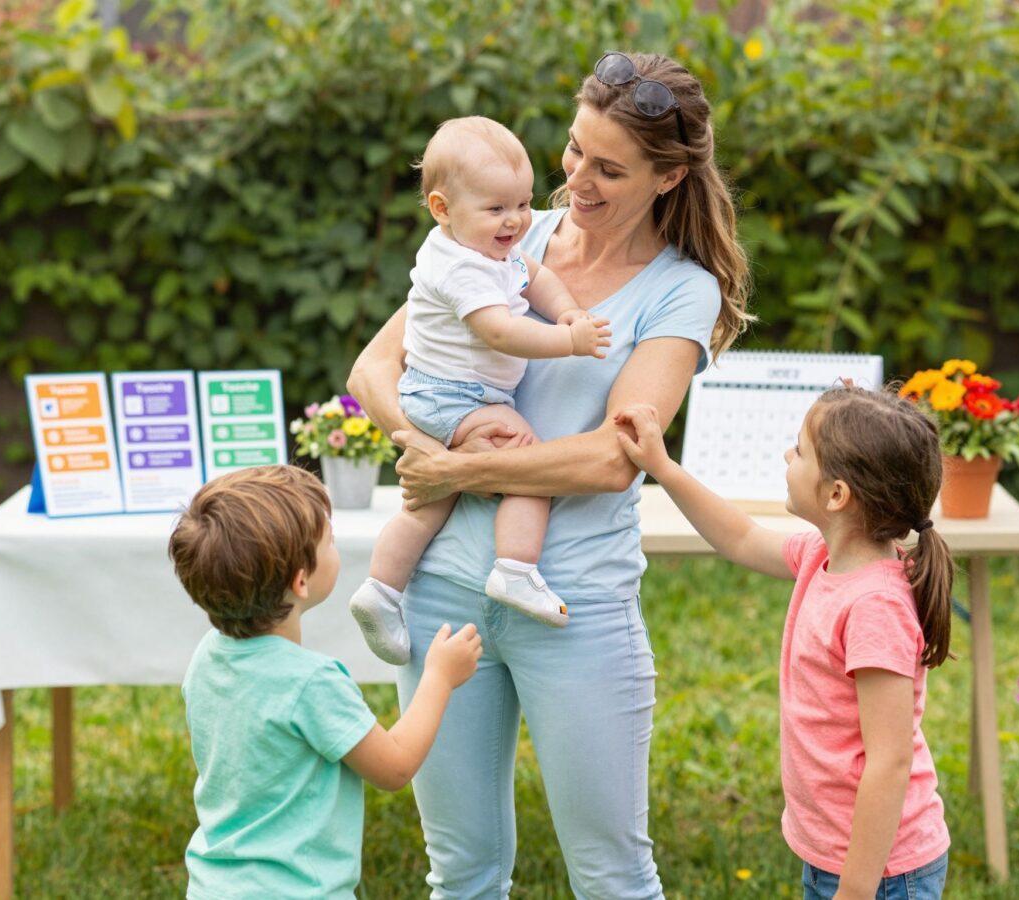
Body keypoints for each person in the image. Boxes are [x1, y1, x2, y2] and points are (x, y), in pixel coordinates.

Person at [347, 51, 752, 899]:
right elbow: (375, 368)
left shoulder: (683, 293)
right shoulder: (503, 232)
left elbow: (614, 457)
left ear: (670, 176)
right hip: (439, 599)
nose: (579, 181)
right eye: (574, 151)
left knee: (611, 875)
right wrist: (413, 441)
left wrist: (458, 465)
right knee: (461, 872)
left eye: (610, 169)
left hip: (574, 609)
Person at [614, 386, 952, 900]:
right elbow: (742, 538)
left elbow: (890, 761)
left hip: (881, 874)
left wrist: (856, 890)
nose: (786, 456)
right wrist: (664, 467)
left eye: (800, 450)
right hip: (839, 857)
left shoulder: (874, 608)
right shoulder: (824, 558)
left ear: (837, 495)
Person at [349, 115, 612, 666]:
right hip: (455, 396)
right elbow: (499, 330)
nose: (516, 221)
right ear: (443, 208)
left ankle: (380, 590)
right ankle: (515, 568)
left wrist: (565, 306)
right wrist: (568, 338)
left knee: (432, 501)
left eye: (522, 203)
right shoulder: (462, 268)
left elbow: (533, 277)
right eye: (496, 209)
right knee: (527, 462)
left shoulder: (488, 247)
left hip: (439, 394)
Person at [168, 465, 482, 899]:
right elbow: (394, 767)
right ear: (301, 580)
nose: (334, 545)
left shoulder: (207, 655)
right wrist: (439, 677)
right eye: (329, 540)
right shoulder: (311, 683)